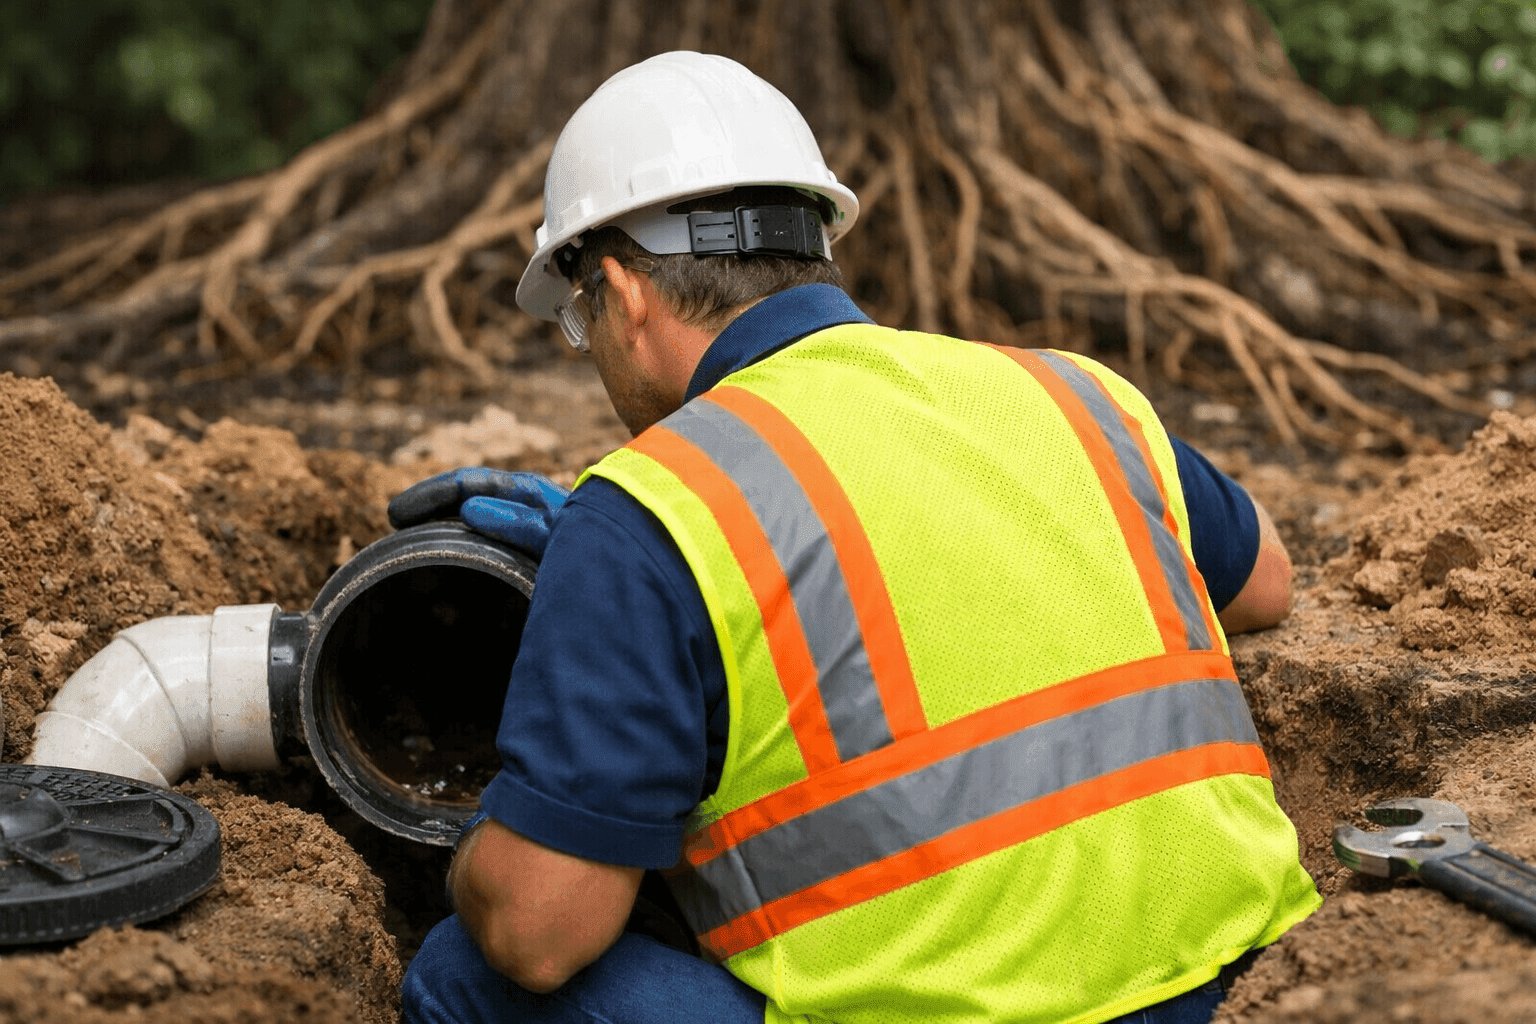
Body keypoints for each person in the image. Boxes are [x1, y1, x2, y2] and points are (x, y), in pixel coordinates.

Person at [397, 51, 1319, 1024]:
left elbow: (541, 933)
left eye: (579, 321)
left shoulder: (649, 512)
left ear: (622, 296)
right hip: (1228, 988)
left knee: (466, 968)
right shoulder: (1072, 392)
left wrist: (472, 852)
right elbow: (1265, 580)